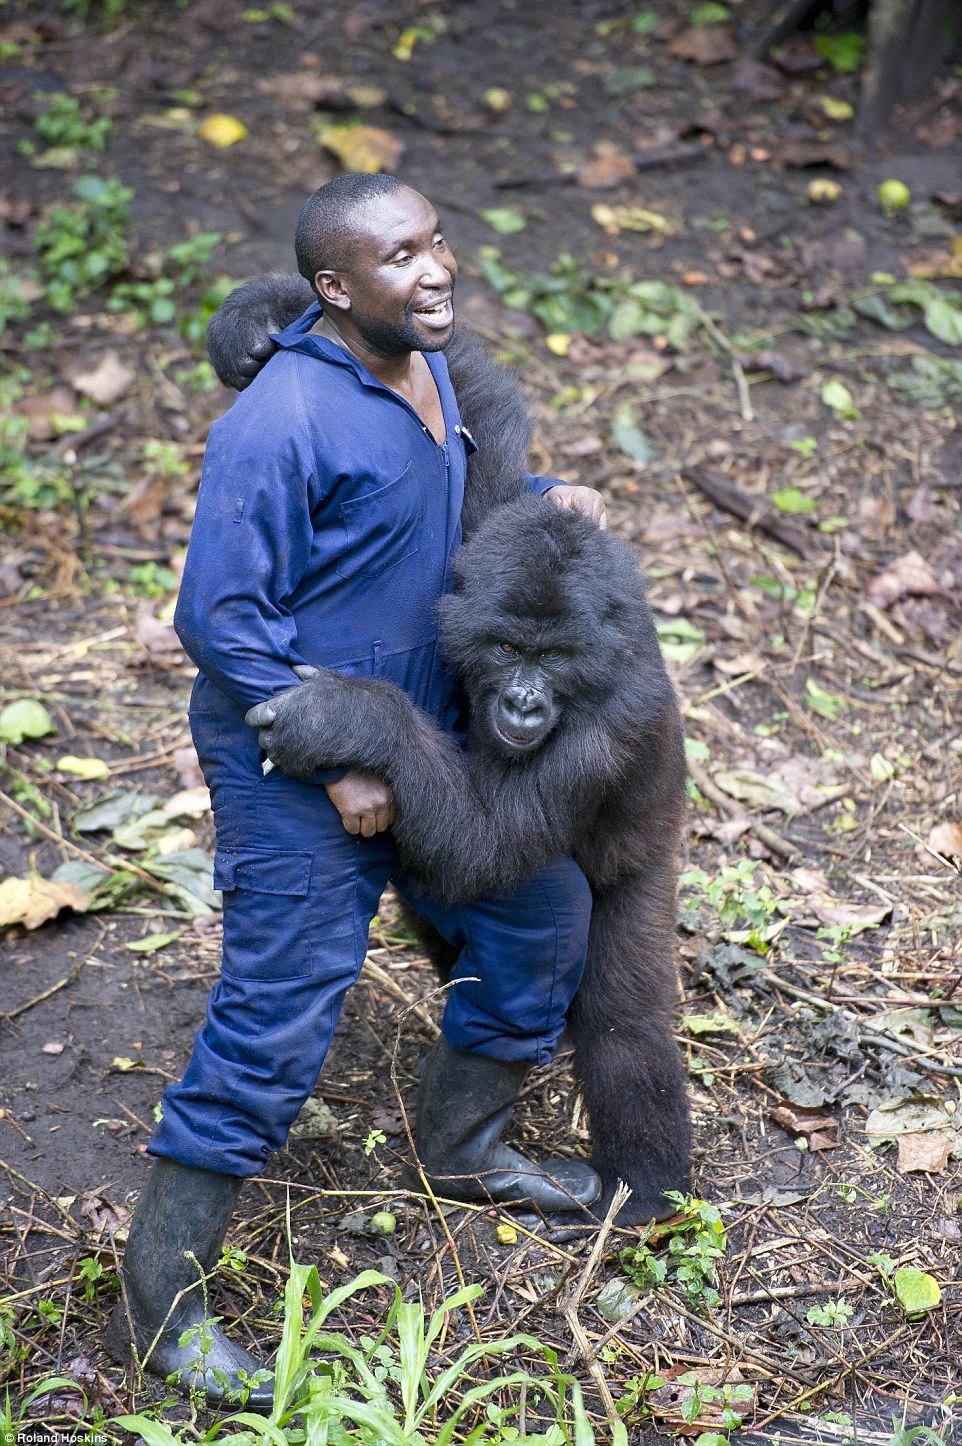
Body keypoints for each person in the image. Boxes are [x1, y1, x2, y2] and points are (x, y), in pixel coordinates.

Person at [105, 173, 607, 1406]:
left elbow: (425, 527)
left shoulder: (426, 368)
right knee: (279, 1017)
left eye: (435, 241)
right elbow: (217, 619)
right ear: (334, 288)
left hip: (427, 732)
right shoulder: (278, 423)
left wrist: (544, 502)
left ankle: (463, 1144)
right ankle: (159, 1304)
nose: (434, 270)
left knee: (540, 917)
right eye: (398, 256)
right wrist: (337, 765)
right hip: (298, 748)